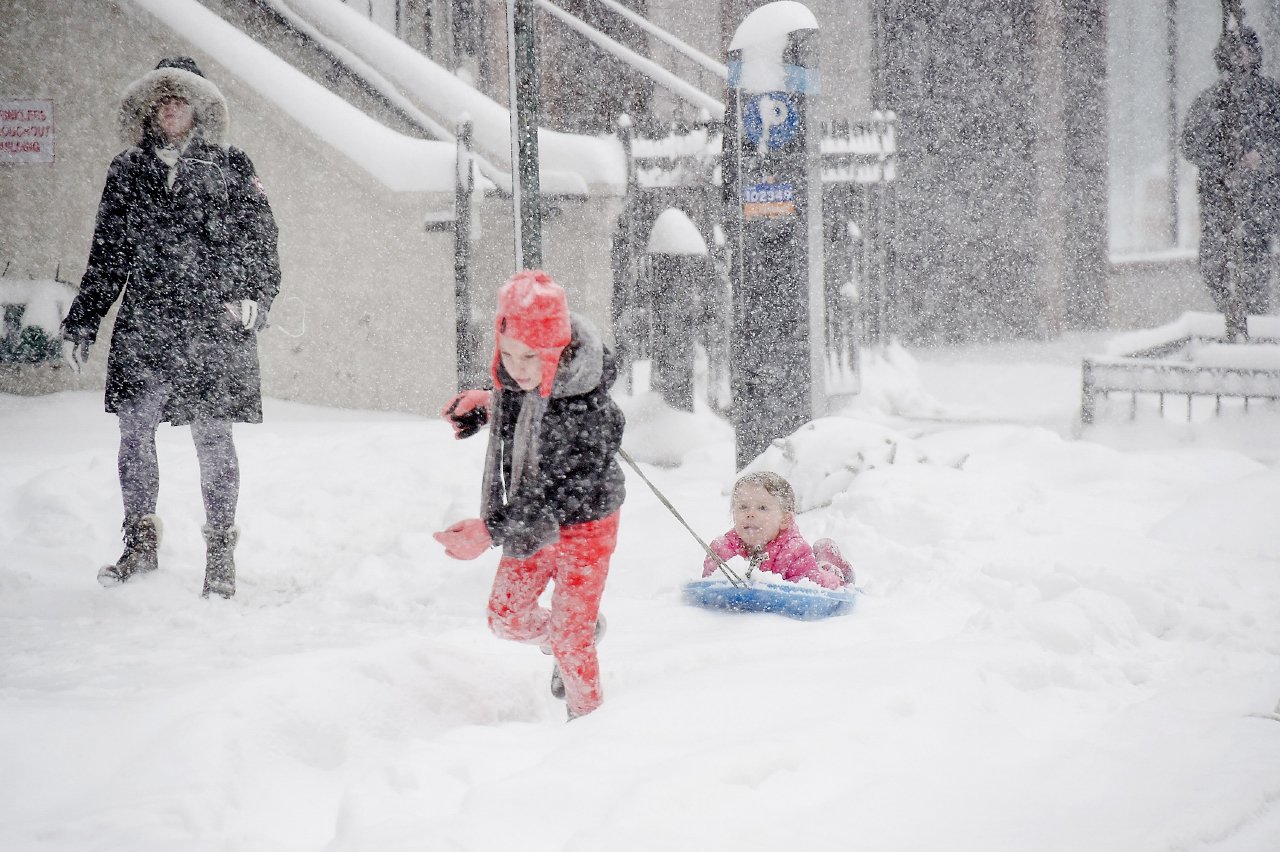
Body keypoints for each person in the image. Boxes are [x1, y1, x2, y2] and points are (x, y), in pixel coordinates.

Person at [60, 57, 281, 598]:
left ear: (200, 106)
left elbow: (261, 239)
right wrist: (83, 322)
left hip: (212, 323)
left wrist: (256, 295)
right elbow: (108, 254)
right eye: (164, 98)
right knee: (134, 434)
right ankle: (139, 542)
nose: (173, 106)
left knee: (213, 437)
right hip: (146, 323)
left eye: (182, 97)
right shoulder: (128, 170)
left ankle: (221, 551)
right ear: (151, 108)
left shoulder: (231, 164)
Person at [434, 270, 626, 720]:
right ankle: (577, 634)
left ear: (558, 351)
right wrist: (488, 404)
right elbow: (524, 406)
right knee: (506, 617)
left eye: (531, 357)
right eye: (509, 354)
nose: (517, 368)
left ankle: (589, 730)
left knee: (570, 639)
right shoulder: (520, 380)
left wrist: (490, 530)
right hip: (531, 523)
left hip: (585, 527)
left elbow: (554, 495)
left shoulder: (589, 412)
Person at [1180, 25, 1280, 329]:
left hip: (1260, 201)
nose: (1240, 57)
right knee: (1214, 263)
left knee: (1254, 265)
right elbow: (1190, 145)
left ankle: (1252, 322)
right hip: (1218, 200)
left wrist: (1263, 158)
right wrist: (1225, 161)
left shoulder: (1270, 97)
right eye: (1234, 50)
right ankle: (1232, 319)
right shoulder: (1211, 100)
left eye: (1246, 49)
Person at [702, 471, 853, 590]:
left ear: (784, 520)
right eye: (743, 507)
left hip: (821, 580)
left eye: (762, 508)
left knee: (827, 573)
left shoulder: (795, 551)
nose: (750, 513)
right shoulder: (722, 548)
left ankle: (831, 562)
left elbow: (806, 591)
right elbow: (710, 585)